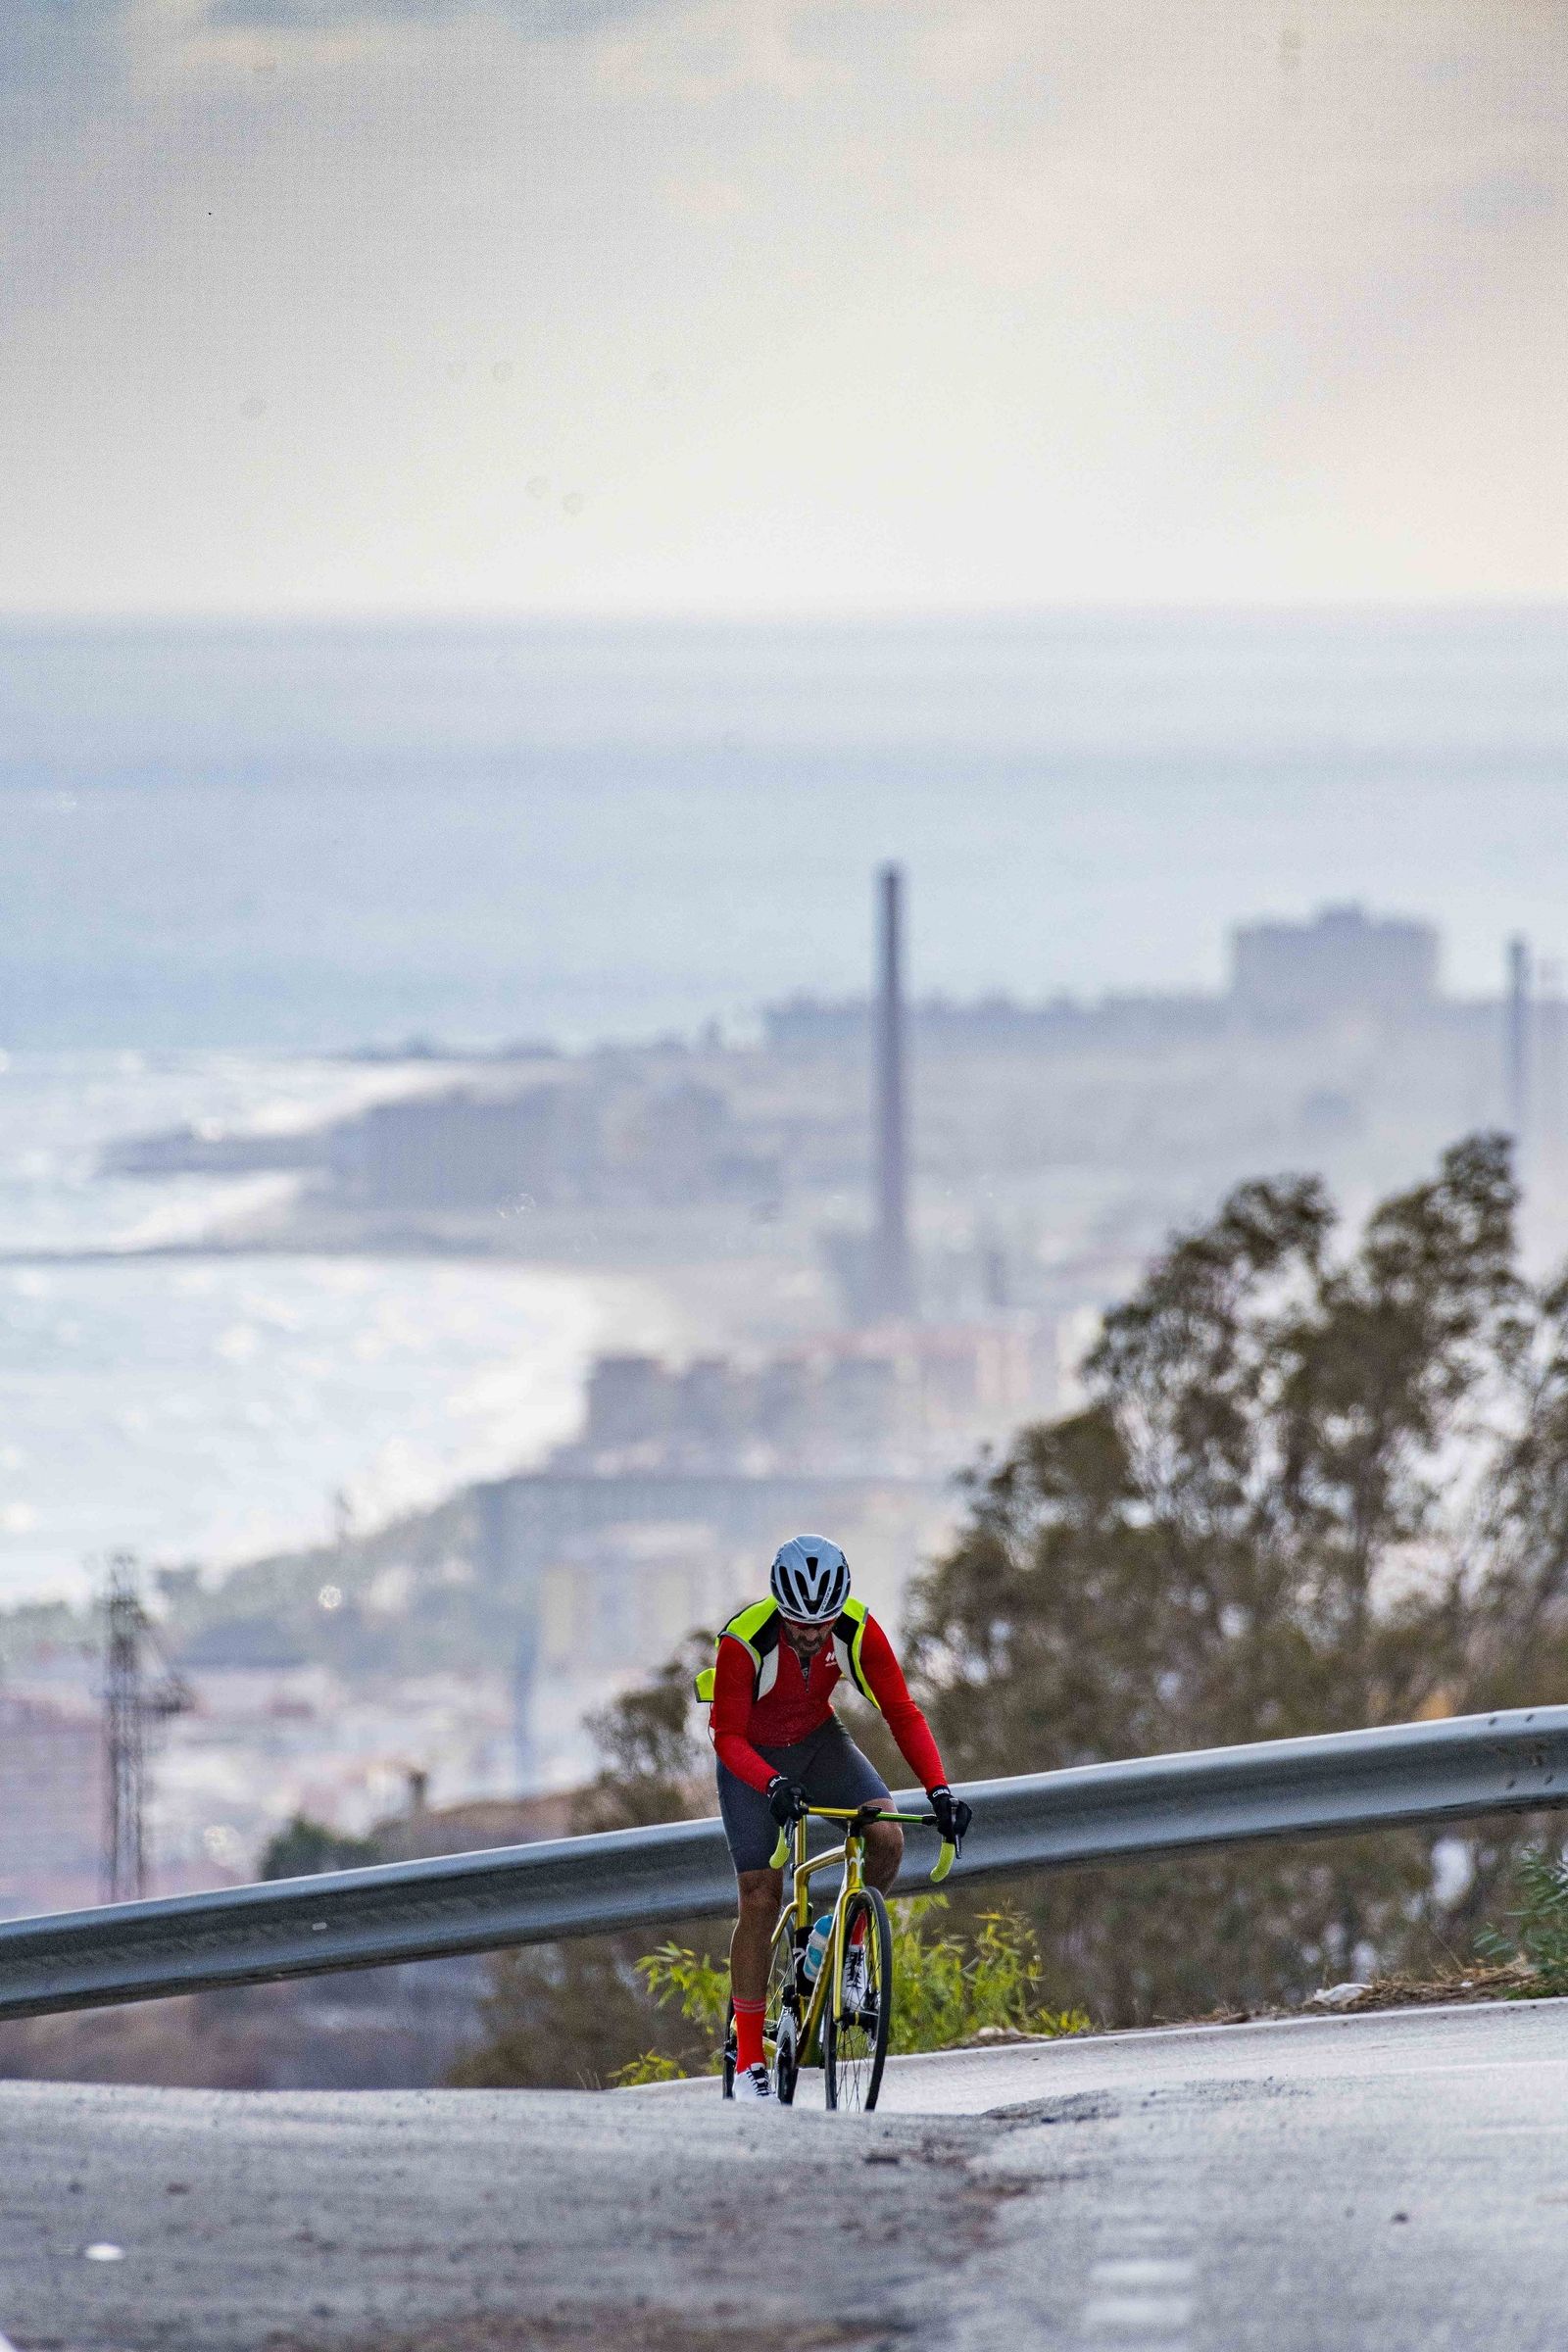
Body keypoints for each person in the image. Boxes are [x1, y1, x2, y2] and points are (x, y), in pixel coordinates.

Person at [699, 1534, 971, 2103]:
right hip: (751, 1758)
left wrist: (940, 1789)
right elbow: (725, 1735)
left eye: (820, 1625)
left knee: (888, 1836)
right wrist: (770, 1783)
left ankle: (842, 1940)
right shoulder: (743, 1642)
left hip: (819, 1744)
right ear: (780, 1607)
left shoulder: (855, 1631)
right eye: (799, 1623)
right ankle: (750, 2057)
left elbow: (901, 1712)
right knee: (759, 1896)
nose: (808, 1634)